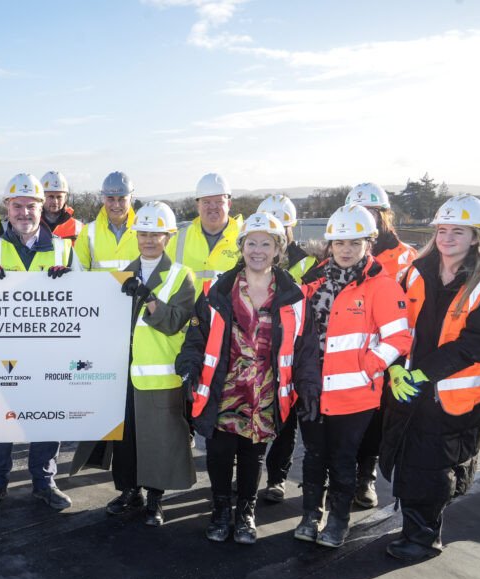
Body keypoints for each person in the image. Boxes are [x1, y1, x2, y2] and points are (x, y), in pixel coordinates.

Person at [379, 195, 480, 561]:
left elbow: (475, 345)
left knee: (433, 467)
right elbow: (396, 324)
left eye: (459, 231)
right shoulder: (415, 272)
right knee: (406, 459)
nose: (448, 237)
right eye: (442, 230)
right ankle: (413, 528)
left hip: (450, 398)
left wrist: (423, 373)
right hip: (408, 387)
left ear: (475, 238)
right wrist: (393, 366)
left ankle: (423, 539)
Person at [176, 212, 320, 543]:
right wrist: (188, 365)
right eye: (251, 243)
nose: (257, 250)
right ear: (241, 247)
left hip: (265, 393)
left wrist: (309, 386)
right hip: (223, 389)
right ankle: (221, 510)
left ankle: (245, 513)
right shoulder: (216, 291)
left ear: (278, 248)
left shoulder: (294, 297)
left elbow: (307, 347)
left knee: (253, 457)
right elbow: (196, 336)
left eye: (265, 243)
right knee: (219, 454)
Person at [71, 202, 199, 525]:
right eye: (143, 234)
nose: (148, 240)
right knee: (126, 438)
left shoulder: (181, 277)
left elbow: (173, 322)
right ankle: (129, 491)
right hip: (123, 373)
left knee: (158, 438)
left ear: (168, 237)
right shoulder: (121, 275)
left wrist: (146, 296)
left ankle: (155, 499)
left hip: (159, 374)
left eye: (156, 234)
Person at [294, 205, 412, 548]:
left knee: (343, 460)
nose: (346, 249)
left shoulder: (382, 287)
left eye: (354, 242)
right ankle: (310, 516)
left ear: (368, 243)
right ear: (330, 244)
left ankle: (338, 522)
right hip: (312, 389)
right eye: (339, 242)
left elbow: (399, 338)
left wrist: (368, 367)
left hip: (354, 395)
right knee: (314, 457)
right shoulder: (313, 283)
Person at [0, 173, 76, 512]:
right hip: (3, 352)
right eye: (17, 206)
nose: (24, 212)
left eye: (30, 205)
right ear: (7, 207)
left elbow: (80, 303)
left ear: (41, 206)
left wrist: (68, 285)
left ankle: (44, 481)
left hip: (48, 352)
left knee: (47, 417)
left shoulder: (65, 249)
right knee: (0, 418)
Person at [345, 181, 419, 508]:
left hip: (389, 354)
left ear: (385, 214)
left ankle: (365, 478)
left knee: (377, 418)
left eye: (373, 211)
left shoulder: (407, 258)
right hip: (348, 349)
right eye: (360, 212)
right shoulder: (344, 248)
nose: (368, 217)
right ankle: (341, 474)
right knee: (346, 416)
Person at [255, 193, 316, 503]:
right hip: (257, 349)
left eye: (282, 227)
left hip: (290, 353)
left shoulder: (309, 264)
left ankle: (276, 478)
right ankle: (249, 474)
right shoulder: (254, 257)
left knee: (285, 419)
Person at [174, 172, 243, 298]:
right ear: (198, 206)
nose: (213, 207)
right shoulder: (178, 237)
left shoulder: (245, 238)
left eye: (218, 201)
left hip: (226, 316)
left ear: (228, 204)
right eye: (206, 202)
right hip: (185, 316)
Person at [73, 171, 138, 271]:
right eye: (111, 199)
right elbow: (78, 272)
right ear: (103, 198)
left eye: (121, 199)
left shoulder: (143, 231)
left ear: (130, 199)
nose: (116, 205)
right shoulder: (88, 232)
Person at [39, 171, 84, 243]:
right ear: (42, 196)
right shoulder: (30, 225)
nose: (55, 201)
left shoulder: (79, 229)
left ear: (65, 197)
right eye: (51, 197)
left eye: (59, 197)